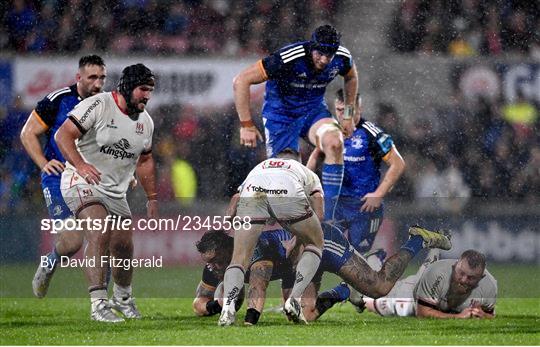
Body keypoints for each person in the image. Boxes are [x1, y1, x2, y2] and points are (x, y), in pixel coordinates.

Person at [55, 63, 157, 323]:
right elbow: (62, 135)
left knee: (123, 247)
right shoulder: (99, 105)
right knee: (99, 230)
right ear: (127, 87)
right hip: (80, 180)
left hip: (115, 192)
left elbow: (145, 161)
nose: (147, 95)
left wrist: (152, 197)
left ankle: (122, 299)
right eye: (142, 89)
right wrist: (81, 165)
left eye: (150, 90)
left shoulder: (145, 122)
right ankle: (98, 304)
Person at [233, 24, 358, 221]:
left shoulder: (341, 57)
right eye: (320, 54)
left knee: (335, 143)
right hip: (281, 117)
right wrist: (246, 124)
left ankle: (328, 219)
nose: (325, 60)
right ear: (312, 47)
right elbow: (241, 80)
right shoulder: (289, 57)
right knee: (286, 180)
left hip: (313, 111)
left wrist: (349, 115)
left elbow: (351, 77)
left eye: (329, 55)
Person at [20, 55, 107, 298]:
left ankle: (103, 298)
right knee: (71, 242)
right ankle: (50, 261)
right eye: (92, 77)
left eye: (102, 77)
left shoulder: (106, 103)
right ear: (79, 78)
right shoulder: (57, 100)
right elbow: (28, 133)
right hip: (59, 178)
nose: (98, 83)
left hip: (90, 178)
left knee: (102, 235)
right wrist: (44, 163)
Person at [244, 223, 451, 323]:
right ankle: (342, 291)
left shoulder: (257, 255)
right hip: (300, 264)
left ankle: (417, 240)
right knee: (303, 316)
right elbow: (287, 272)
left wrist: (249, 322)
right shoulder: (247, 254)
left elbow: (258, 287)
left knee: (380, 287)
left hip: (323, 244)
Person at [218, 151, 325, 326]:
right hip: (287, 189)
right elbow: (318, 214)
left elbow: (235, 199)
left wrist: (230, 222)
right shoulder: (306, 172)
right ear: (297, 161)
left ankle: (227, 309)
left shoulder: (260, 167)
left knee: (239, 259)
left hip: (253, 190)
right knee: (315, 243)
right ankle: (294, 300)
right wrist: (297, 240)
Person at [308, 90, 405, 253]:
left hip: (363, 207)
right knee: (320, 252)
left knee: (356, 257)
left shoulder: (372, 133)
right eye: (339, 110)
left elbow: (398, 163)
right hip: (336, 205)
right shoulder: (330, 132)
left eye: (349, 110)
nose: (344, 116)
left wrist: (379, 194)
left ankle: (377, 257)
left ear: (359, 109)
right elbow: (315, 157)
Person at [360, 250, 497, 319]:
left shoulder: (489, 285)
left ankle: (432, 254)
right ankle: (373, 259)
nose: (463, 280)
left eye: (471, 278)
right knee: (373, 298)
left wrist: (482, 315)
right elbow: (423, 312)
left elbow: (490, 315)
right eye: (461, 273)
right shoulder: (439, 274)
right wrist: (459, 317)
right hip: (414, 291)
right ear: (455, 265)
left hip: (436, 293)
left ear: (481, 277)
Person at [192, 229, 290, 318]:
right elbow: (198, 305)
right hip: (285, 270)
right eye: (209, 262)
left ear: (228, 251)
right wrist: (217, 305)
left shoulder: (254, 252)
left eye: (216, 261)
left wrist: (250, 320)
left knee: (298, 313)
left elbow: (258, 286)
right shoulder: (214, 267)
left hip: (293, 265)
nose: (212, 267)